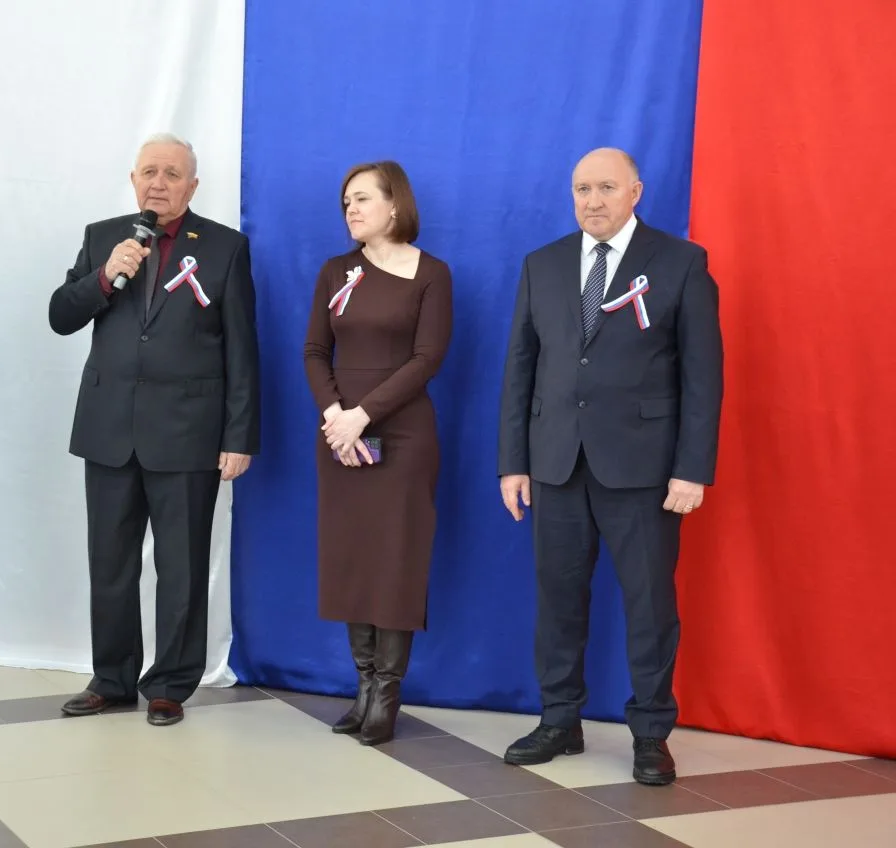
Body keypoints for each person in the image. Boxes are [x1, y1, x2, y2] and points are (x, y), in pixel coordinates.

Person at [497, 148, 723, 785]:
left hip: (644, 469)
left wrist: (692, 469)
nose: (592, 201)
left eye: (605, 187)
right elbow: (520, 368)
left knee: (649, 605)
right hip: (556, 462)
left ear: (635, 192)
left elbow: (703, 377)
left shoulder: (680, 262)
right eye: (581, 189)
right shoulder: (542, 264)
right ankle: (559, 720)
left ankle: (651, 732)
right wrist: (513, 462)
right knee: (558, 601)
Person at [49, 133, 260, 727]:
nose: (158, 183)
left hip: (189, 433)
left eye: (172, 174)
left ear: (193, 186)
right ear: (133, 179)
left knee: (181, 566)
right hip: (109, 428)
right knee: (110, 563)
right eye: (149, 172)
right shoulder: (103, 238)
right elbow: (61, 316)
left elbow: (242, 350)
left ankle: (170, 683)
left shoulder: (224, 247)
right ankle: (111, 679)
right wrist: (104, 276)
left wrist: (238, 436)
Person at [304, 161, 453, 746]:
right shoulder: (334, 271)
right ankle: (362, 686)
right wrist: (336, 418)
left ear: (396, 205)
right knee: (353, 558)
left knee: (395, 559)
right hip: (340, 436)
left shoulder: (431, 274)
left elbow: (427, 359)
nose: (351, 209)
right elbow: (315, 351)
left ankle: (386, 695)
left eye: (362, 198)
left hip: (403, 436)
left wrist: (362, 416)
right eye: (346, 202)